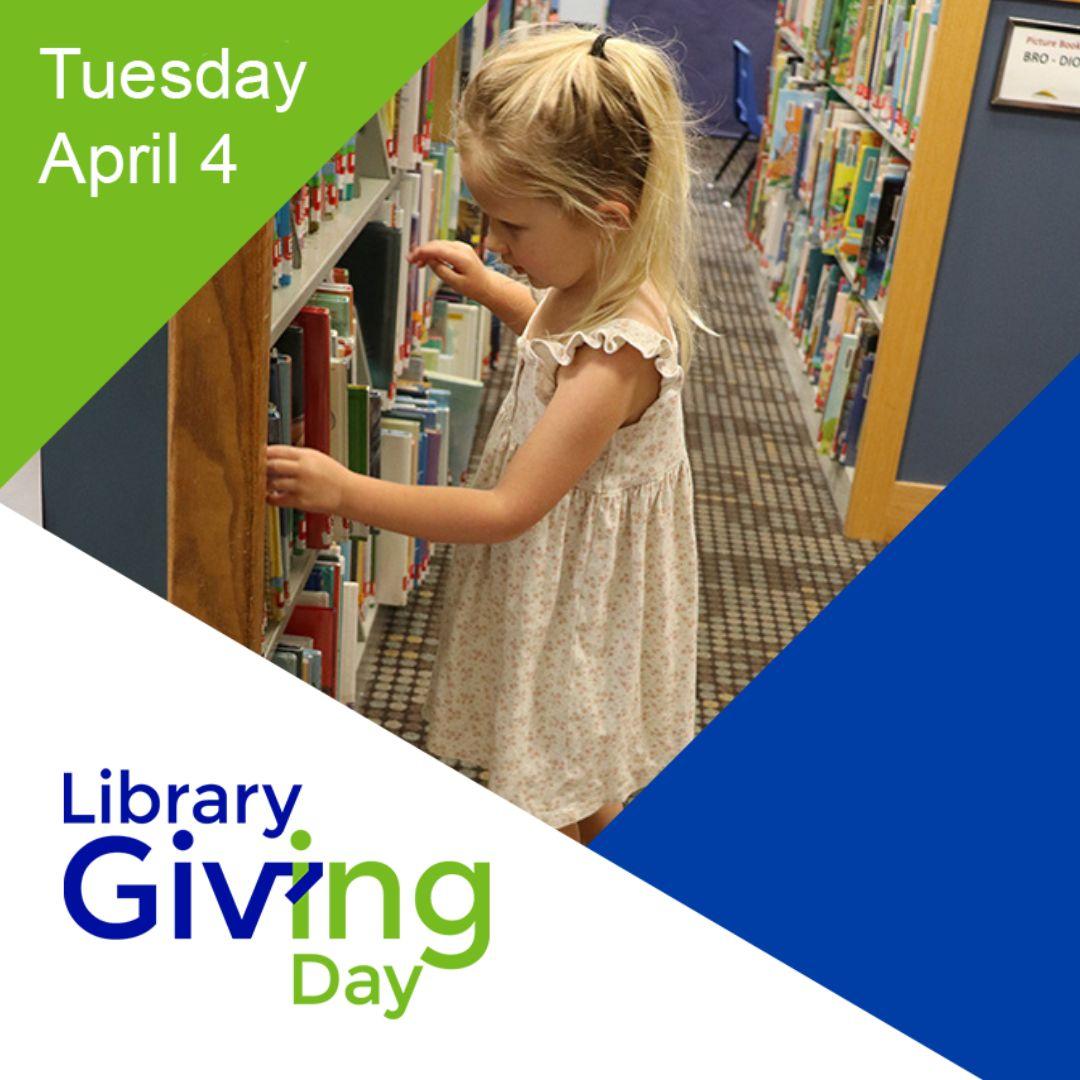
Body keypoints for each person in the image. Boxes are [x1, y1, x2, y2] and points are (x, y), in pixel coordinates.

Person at [267, 25, 700, 844]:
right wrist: (498, 287)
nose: (495, 240)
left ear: (606, 214)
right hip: (566, 572)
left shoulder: (616, 355)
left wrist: (346, 491)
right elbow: (554, 341)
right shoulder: (602, 273)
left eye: (511, 227)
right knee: (571, 762)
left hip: (574, 598)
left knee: (552, 769)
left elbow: (506, 509)